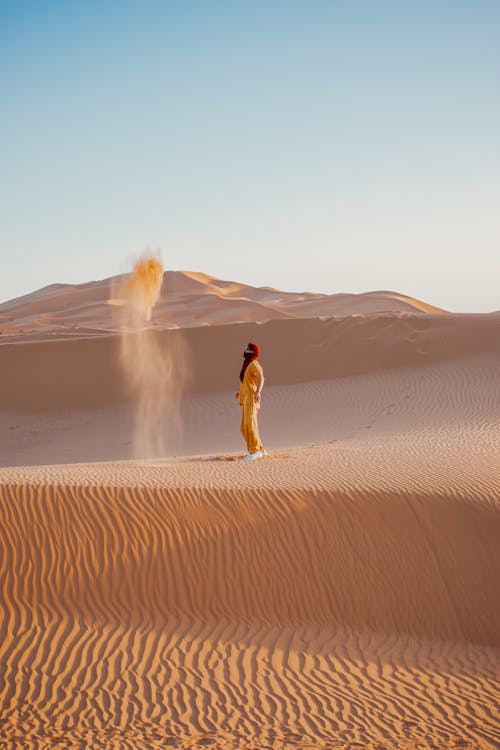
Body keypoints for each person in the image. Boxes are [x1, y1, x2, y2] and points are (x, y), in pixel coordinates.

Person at [236, 342, 266, 460]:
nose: (245, 350)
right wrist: (240, 392)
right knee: (244, 427)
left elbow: (261, 377)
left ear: (252, 352)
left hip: (252, 398)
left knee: (250, 424)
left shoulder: (254, 364)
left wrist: (258, 392)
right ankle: (260, 448)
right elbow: (247, 382)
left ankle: (255, 451)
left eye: (247, 348)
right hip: (246, 398)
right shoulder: (246, 364)